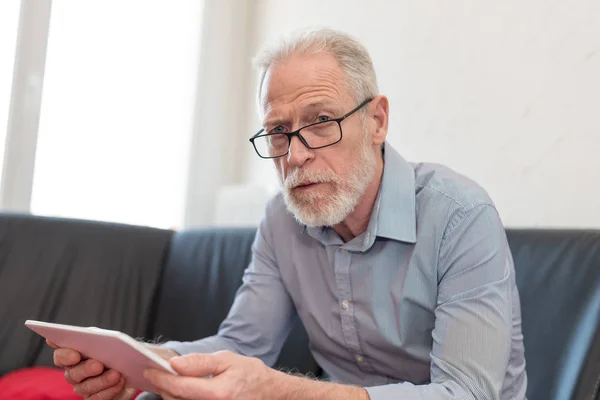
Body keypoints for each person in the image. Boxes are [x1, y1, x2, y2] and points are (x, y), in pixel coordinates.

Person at [51, 28, 527, 400]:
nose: (295, 156)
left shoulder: (461, 216)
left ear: (376, 121)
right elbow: (242, 345)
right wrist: (137, 362)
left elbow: (467, 393)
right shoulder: (282, 219)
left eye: (321, 122)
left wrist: (281, 391)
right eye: (278, 131)